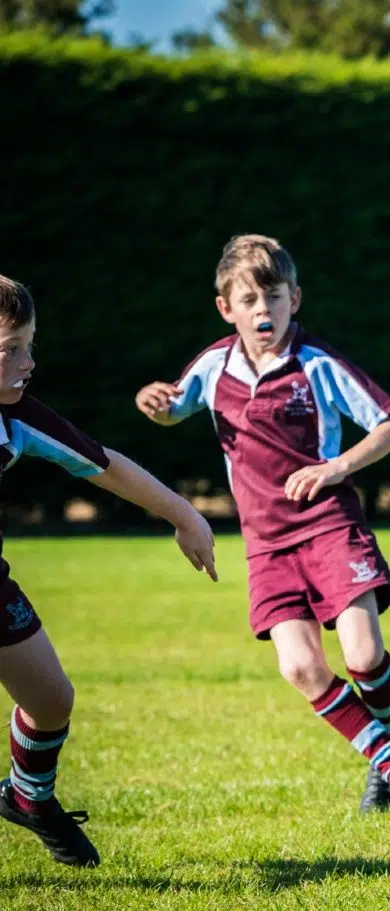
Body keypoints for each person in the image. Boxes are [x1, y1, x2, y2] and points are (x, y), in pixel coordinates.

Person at [134, 235, 390, 823]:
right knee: (301, 668)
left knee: (361, 653)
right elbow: (177, 406)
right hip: (266, 544)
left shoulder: (317, 364)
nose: (263, 311)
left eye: (273, 297)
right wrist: (156, 404)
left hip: (330, 525)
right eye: (248, 300)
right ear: (226, 308)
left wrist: (337, 467)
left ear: (295, 299)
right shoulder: (215, 366)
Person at [0, 274, 218, 867]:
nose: (28, 362)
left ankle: (29, 798)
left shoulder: (19, 419)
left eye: (30, 344)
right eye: (11, 349)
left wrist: (185, 516)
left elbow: (104, 465)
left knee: (51, 700)